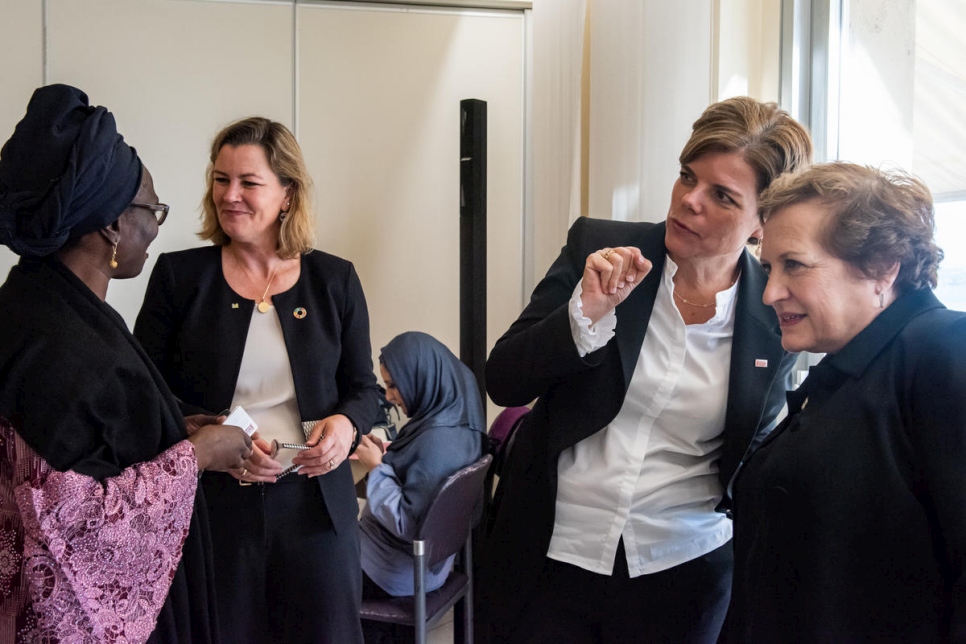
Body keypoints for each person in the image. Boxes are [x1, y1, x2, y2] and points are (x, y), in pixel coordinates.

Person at [482, 96, 813, 643]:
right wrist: (583, 316)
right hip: (551, 552)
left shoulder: (775, 314)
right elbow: (504, 380)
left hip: (682, 572)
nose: (689, 201)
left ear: (762, 223)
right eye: (687, 176)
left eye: (722, 196)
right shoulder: (599, 247)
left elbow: (755, 450)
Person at [0, 84, 252, 643]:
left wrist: (173, 430)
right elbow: (76, 522)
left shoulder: (30, 305)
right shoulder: (64, 349)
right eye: (152, 210)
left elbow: (92, 445)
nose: (156, 228)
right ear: (112, 226)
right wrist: (197, 455)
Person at [134, 116, 381, 643]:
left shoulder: (334, 280)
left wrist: (344, 424)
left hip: (316, 509)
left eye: (249, 182)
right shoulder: (179, 278)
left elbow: (365, 389)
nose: (230, 195)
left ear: (287, 194)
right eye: (221, 179)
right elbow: (147, 395)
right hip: (214, 508)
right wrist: (213, 435)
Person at [722, 162, 966, 642]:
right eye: (768, 268)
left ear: (881, 268)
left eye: (795, 264)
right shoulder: (842, 375)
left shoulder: (944, 349)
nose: (770, 292)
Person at [355, 332, 486, 642]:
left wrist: (377, 468)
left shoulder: (438, 445)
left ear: (422, 377)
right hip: (427, 566)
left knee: (305, 560)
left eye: (392, 385)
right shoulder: (457, 413)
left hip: (397, 569)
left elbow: (411, 524)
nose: (388, 397)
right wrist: (389, 462)